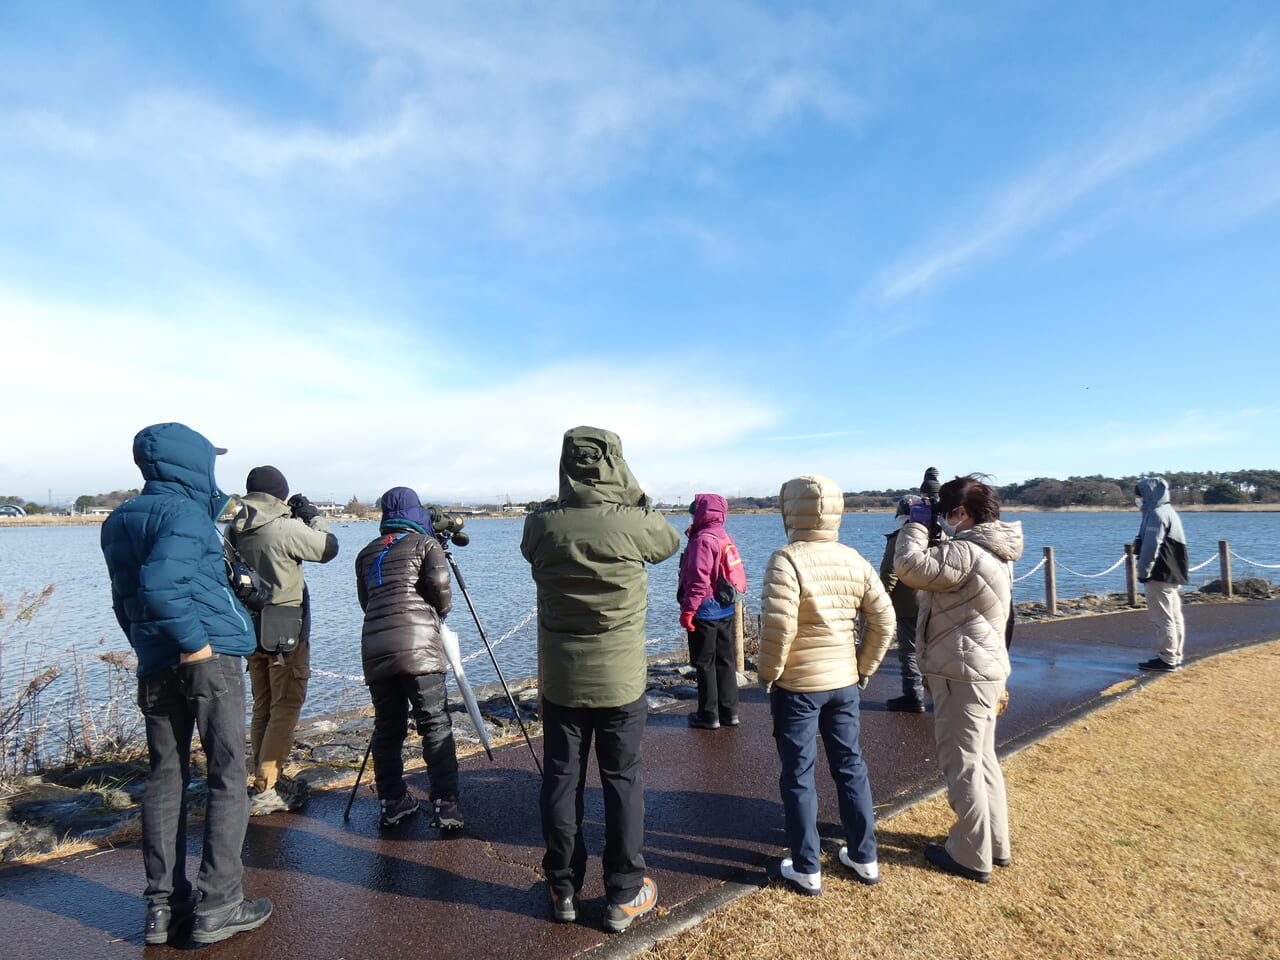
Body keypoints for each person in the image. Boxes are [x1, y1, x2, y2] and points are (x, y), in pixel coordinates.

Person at [100, 422, 272, 945]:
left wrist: (149, 644)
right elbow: (160, 584)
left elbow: (126, 598)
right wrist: (195, 643)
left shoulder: (117, 520)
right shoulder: (187, 516)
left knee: (165, 778)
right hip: (207, 657)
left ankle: (162, 909)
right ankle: (219, 904)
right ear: (193, 462)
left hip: (155, 659)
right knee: (226, 775)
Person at [520, 426, 680, 932]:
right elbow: (669, 540)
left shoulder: (541, 524)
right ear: (616, 462)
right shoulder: (636, 523)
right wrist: (629, 493)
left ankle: (562, 888)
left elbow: (533, 540)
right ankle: (624, 894)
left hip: (562, 683)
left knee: (562, 783)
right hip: (621, 682)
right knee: (622, 783)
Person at [757, 474, 896, 896]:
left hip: (799, 685)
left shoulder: (787, 558)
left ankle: (806, 866)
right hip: (844, 682)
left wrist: (769, 673)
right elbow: (884, 620)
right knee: (850, 765)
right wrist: (863, 667)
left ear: (788, 510)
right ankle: (865, 857)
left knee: (799, 773)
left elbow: (778, 628)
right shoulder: (854, 559)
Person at [894, 474, 1024, 883]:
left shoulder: (967, 552)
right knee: (983, 761)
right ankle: (993, 843)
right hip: (983, 669)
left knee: (962, 763)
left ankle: (970, 853)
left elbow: (910, 567)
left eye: (947, 513)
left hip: (963, 672)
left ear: (962, 514)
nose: (943, 520)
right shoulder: (996, 550)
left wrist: (915, 523)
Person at [227, 465, 339, 816]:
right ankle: (269, 786)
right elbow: (327, 548)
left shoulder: (234, 528)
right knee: (287, 705)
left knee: (264, 705)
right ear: (281, 495)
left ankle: (261, 779)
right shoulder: (284, 527)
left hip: (251, 628)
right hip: (286, 630)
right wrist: (313, 517)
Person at [354, 486, 463, 830]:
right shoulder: (426, 544)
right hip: (419, 649)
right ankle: (445, 804)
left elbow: (366, 601)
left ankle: (392, 801)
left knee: (388, 728)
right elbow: (439, 581)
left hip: (375, 647)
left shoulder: (366, 553)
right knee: (434, 723)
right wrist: (441, 609)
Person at [677, 493, 742, 729]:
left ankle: (708, 715)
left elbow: (698, 579)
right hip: (725, 607)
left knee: (705, 663)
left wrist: (688, 610)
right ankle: (730, 712)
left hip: (705, 610)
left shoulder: (702, 540)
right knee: (725, 661)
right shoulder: (723, 534)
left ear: (700, 512)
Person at [1133, 477, 1190, 671]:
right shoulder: (1169, 512)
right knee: (1174, 615)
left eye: (1139, 495)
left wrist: (1143, 571)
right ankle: (1175, 655)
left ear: (1148, 494)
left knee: (1163, 617)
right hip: (1172, 572)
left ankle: (1167, 658)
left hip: (1159, 573)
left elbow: (1151, 546)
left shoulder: (1157, 514)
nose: (1137, 499)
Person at [879, 496, 925, 712]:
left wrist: (878, 602)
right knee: (939, 649)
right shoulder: (941, 534)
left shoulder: (901, 538)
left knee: (910, 651)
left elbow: (889, 574)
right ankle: (944, 696)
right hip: (940, 603)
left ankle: (914, 696)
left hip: (910, 605)